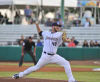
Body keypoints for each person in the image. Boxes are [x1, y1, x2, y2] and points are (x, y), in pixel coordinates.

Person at [12, 22, 77, 82]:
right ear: (53, 27)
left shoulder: (60, 34)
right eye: (56, 26)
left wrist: (68, 40)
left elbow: (66, 39)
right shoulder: (46, 33)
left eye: (59, 26)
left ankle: (71, 79)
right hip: (45, 56)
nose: (58, 27)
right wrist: (37, 25)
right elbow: (40, 32)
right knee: (36, 68)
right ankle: (20, 75)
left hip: (54, 56)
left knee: (66, 63)